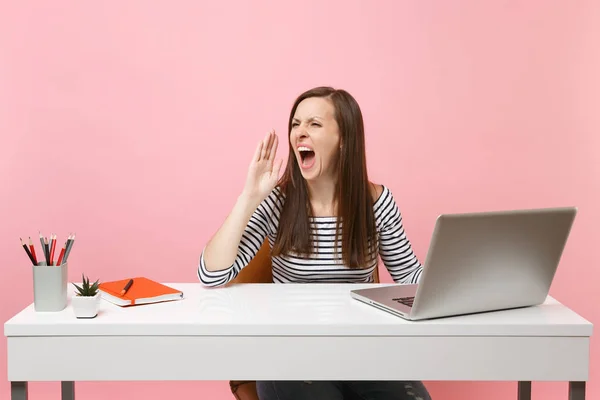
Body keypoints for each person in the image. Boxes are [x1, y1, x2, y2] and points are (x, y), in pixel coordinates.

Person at [198, 86, 432, 400]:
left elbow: (410, 281)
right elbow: (212, 275)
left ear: (344, 139)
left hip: (363, 354)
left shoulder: (376, 202)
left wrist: (459, 280)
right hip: (291, 355)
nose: (300, 133)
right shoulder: (277, 202)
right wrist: (249, 197)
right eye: (295, 124)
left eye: (314, 124)